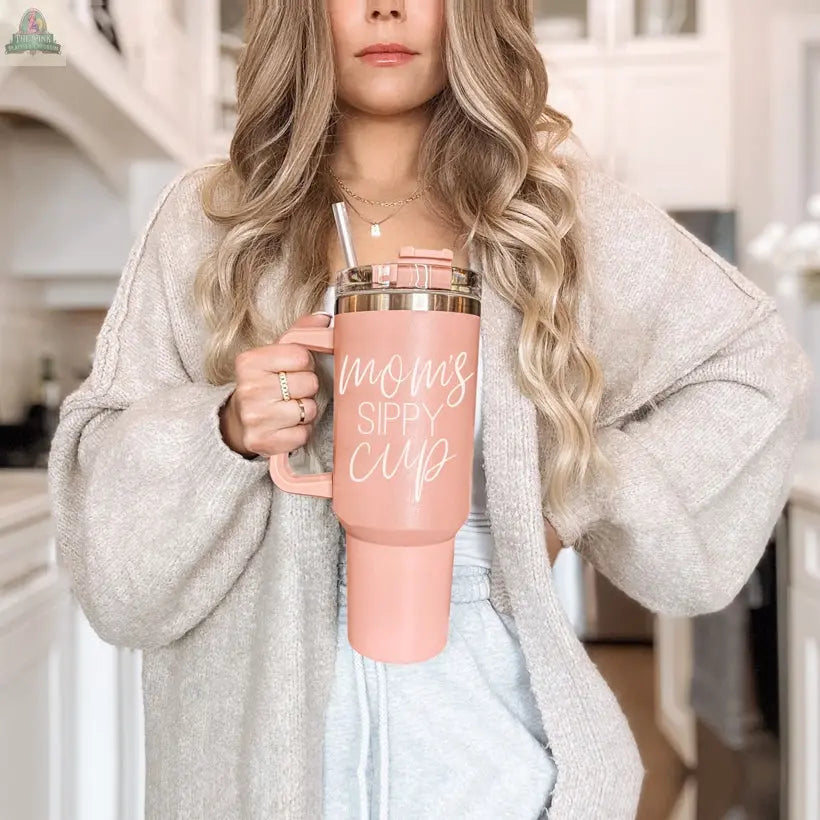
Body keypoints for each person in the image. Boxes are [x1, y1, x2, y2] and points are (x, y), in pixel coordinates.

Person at [46, 1, 814, 818]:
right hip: (260, 764)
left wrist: (576, 494)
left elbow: (757, 367)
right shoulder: (208, 222)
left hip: (491, 757)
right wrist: (224, 432)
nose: (387, 8)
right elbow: (112, 564)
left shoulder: (555, 218)